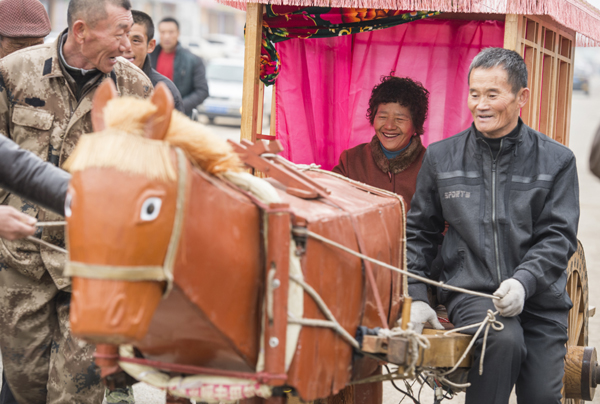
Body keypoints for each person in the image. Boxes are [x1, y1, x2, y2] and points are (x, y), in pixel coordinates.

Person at [406, 47, 578, 403]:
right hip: (474, 293)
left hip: (541, 302)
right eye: (474, 93)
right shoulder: (441, 157)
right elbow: (419, 233)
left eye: (492, 94)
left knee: (543, 397)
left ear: (521, 97)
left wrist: (522, 281)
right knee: (502, 337)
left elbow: (557, 237)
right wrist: (416, 296)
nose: (480, 104)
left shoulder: (557, 161)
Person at [0, 0, 152, 402]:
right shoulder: (15, 72)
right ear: (82, 30)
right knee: (23, 388)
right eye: (120, 32)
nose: (127, 44)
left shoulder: (135, 89)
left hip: (94, 268)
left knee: (77, 394)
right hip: (22, 262)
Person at [332, 75, 428, 211]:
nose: (389, 126)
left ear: (415, 125)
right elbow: (330, 207)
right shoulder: (350, 160)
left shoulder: (432, 166)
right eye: (382, 117)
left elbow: (447, 223)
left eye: (399, 119)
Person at [124, 10, 184, 113]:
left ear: (150, 45)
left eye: (136, 41)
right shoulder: (98, 81)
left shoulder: (166, 91)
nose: (127, 47)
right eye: (121, 37)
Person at [150, 17, 209, 117]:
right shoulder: (149, 56)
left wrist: (178, 107)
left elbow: (202, 91)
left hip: (181, 116)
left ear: (178, 33)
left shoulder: (193, 60)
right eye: (162, 32)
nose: (166, 36)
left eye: (171, 32)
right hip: (153, 113)